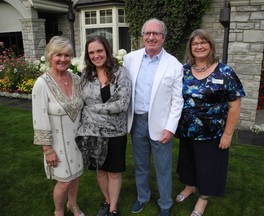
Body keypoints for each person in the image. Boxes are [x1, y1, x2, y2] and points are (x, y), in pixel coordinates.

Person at [175, 29, 246, 216]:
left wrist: (228, 134)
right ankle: (189, 187)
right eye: (195, 43)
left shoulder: (225, 72)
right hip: (187, 130)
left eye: (203, 42)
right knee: (188, 163)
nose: (199, 46)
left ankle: (203, 198)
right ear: (190, 47)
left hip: (212, 133)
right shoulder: (183, 70)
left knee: (208, 167)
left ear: (210, 45)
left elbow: (235, 106)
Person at [123, 18, 183, 216]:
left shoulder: (173, 64)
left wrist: (170, 128)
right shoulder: (130, 59)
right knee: (141, 165)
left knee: (163, 167)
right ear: (142, 36)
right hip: (137, 121)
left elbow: (177, 101)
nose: (151, 37)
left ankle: (165, 204)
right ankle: (143, 197)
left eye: (156, 34)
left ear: (163, 37)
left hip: (161, 124)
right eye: (147, 33)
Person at [75, 36, 131, 216]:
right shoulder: (85, 75)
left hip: (115, 132)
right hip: (92, 132)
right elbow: (79, 102)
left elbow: (121, 104)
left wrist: (91, 109)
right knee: (100, 171)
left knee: (114, 172)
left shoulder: (121, 73)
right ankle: (106, 200)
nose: (96, 55)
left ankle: (113, 207)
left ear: (106, 50)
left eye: (99, 51)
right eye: (91, 52)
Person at [32, 36, 84, 216]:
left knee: (76, 175)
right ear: (49, 57)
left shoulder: (77, 79)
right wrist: (48, 150)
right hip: (57, 143)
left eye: (67, 55)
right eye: (58, 55)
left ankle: (73, 205)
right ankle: (59, 211)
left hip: (77, 140)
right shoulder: (42, 84)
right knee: (64, 182)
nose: (63, 59)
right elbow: (39, 118)